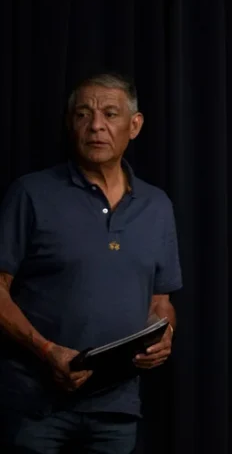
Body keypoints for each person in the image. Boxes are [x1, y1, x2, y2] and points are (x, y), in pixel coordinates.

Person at [0, 73, 182, 453]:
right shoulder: (31, 194)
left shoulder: (157, 206)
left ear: (135, 125)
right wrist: (47, 351)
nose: (96, 125)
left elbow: (160, 301)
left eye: (110, 114)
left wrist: (164, 334)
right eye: (83, 114)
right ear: (71, 124)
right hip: (35, 406)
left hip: (117, 409)